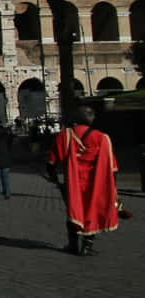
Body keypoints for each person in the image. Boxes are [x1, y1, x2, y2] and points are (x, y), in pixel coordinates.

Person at [47, 105, 119, 256]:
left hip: (72, 183)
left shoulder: (65, 135)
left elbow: (52, 160)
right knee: (92, 211)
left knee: (73, 211)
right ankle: (87, 245)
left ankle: (73, 245)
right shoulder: (101, 137)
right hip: (95, 183)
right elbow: (112, 165)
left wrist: (53, 176)